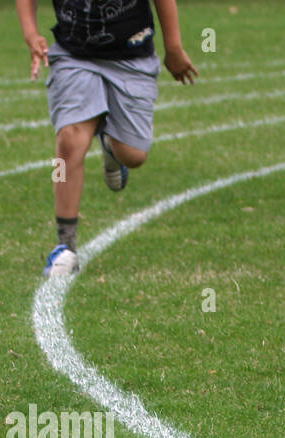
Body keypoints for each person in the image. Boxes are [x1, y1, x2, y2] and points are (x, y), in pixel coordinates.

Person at [15, 0, 198, 277]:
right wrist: (31, 34)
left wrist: (173, 48)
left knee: (133, 155)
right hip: (73, 55)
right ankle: (65, 246)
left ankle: (112, 147)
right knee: (69, 141)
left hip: (132, 58)